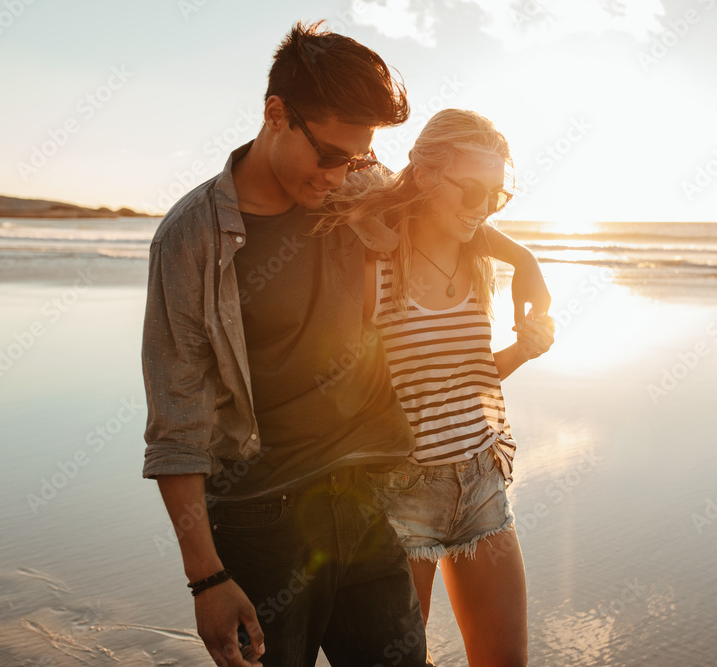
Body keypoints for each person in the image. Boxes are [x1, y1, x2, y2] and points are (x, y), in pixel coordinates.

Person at [140, 22, 550, 667]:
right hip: (262, 514)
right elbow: (177, 423)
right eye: (331, 154)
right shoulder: (193, 240)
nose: (344, 173)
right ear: (276, 114)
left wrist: (522, 258)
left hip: (367, 496)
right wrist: (208, 579)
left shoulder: (355, 184)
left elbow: (440, 206)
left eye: (358, 158)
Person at [319, 109, 554, 666]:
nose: (482, 210)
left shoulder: (477, 258)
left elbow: (468, 379)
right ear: (424, 175)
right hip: (399, 493)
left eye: (497, 197)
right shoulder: (373, 259)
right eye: (471, 192)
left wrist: (522, 347)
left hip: (481, 481)